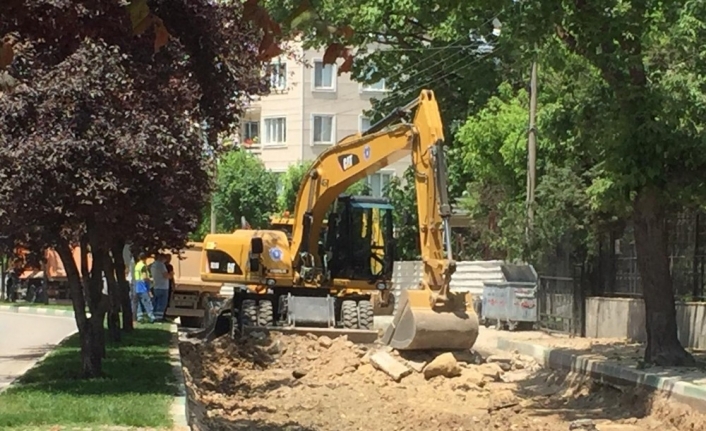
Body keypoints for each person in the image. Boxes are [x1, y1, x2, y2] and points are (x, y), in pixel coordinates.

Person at [134, 252, 154, 323]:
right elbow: (144, 276)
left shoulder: (137, 265)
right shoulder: (143, 266)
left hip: (137, 284)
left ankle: (139, 316)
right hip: (142, 285)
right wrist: (150, 280)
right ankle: (151, 316)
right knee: (147, 301)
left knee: (138, 302)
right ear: (145, 258)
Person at [150, 253, 170, 321]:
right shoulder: (161, 265)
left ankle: (154, 316)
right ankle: (159, 318)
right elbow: (166, 276)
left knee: (155, 302)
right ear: (162, 258)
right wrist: (171, 275)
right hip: (163, 287)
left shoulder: (153, 265)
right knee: (162, 303)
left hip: (156, 286)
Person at [163, 253, 175, 321]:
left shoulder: (170, 266)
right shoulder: (164, 266)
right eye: (168, 258)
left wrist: (173, 284)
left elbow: (172, 277)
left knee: (167, 300)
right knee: (165, 300)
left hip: (168, 284)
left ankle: (165, 314)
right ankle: (163, 315)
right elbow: (171, 275)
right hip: (165, 284)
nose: (169, 260)